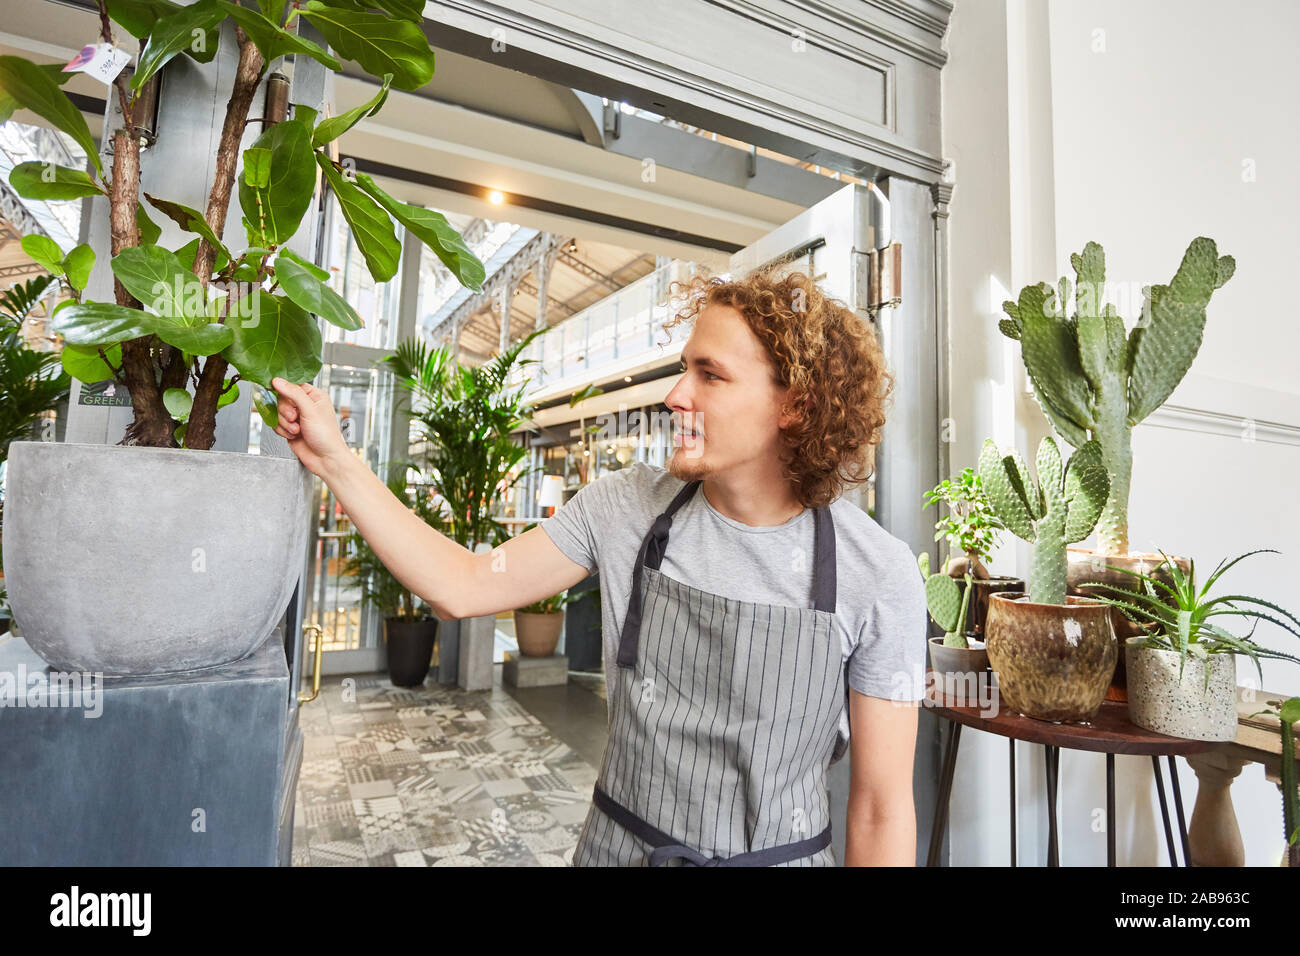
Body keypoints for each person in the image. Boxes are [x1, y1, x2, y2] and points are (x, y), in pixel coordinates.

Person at [270, 267, 927, 867]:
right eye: (683, 368)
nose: (675, 395)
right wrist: (335, 460)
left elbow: (880, 808)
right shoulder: (626, 507)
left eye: (710, 374)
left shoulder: (879, 573)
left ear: (796, 406)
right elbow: (462, 586)